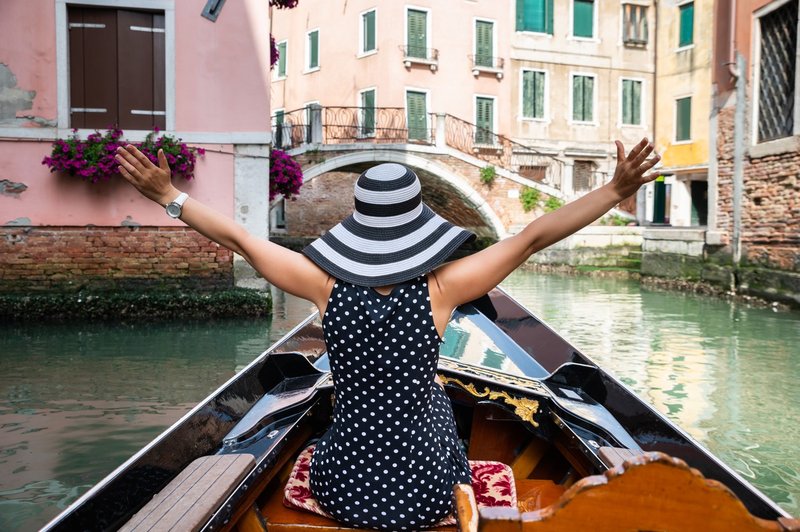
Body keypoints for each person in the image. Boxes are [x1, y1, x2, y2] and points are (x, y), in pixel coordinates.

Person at [115, 138, 659, 530]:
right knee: (439, 401)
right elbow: (533, 237)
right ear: (418, 225)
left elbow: (240, 238)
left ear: (360, 224)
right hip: (423, 490)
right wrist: (614, 189)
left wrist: (170, 196)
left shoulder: (322, 284)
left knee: (376, 415)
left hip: (347, 485)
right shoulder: (444, 287)